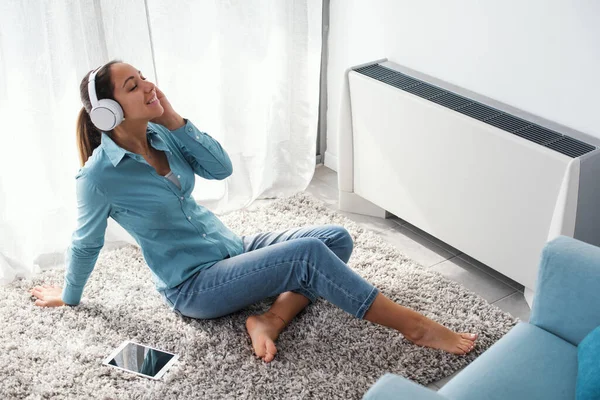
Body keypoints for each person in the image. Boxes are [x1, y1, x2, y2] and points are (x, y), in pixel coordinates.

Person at [29, 60, 478, 363]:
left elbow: (220, 169)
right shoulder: (98, 177)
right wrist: (68, 296)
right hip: (194, 285)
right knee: (307, 256)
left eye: (143, 76)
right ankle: (415, 327)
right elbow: (84, 243)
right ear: (107, 113)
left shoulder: (164, 137)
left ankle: (269, 319)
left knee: (335, 240)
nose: (149, 86)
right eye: (133, 86)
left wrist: (173, 120)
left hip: (232, 248)